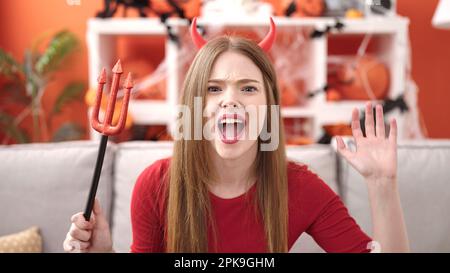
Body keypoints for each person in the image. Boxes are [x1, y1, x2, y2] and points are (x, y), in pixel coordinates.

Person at [64, 18, 409, 253]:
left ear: (269, 107)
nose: (230, 99)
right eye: (214, 88)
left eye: (247, 88)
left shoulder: (300, 188)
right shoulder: (155, 185)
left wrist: (382, 185)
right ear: (196, 107)